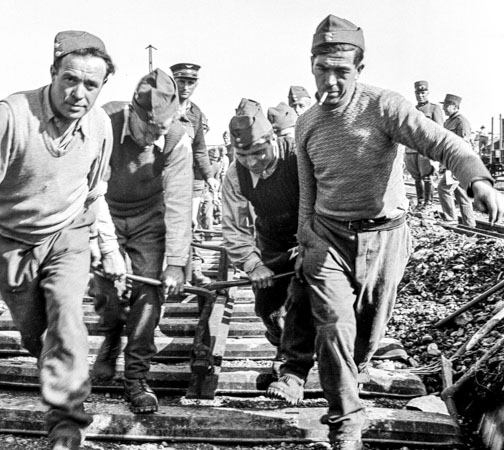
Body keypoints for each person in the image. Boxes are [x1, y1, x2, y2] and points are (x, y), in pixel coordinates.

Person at [295, 15, 503, 450]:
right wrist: (307, 240)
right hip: (329, 236)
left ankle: (358, 367)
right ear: (310, 65)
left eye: (342, 71)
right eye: (321, 70)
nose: (330, 82)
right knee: (333, 326)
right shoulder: (307, 123)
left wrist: (477, 179)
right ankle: (345, 421)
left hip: (386, 238)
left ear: (360, 69)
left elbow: (443, 143)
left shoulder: (384, 106)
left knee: (366, 336)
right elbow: (306, 192)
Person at [0, 30, 116, 450]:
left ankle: (67, 425)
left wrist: (106, 247)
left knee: (67, 317)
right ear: (53, 74)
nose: (79, 93)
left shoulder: (99, 125)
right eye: (70, 80)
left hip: (68, 233)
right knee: (36, 335)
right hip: (9, 240)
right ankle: (53, 362)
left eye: (91, 85)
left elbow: (95, 194)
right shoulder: (10, 115)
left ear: (102, 88)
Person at [92, 68, 193, 414]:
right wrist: (105, 249)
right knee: (105, 283)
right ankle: (110, 337)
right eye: (146, 128)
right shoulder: (103, 123)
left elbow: (179, 203)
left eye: (160, 130)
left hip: (150, 216)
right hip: (104, 209)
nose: (153, 137)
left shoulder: (179, 138)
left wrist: (177, 264)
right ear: (132, 112)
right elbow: (90, 191)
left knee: (149, 291)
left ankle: (136, 377)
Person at [222, 98, 315, 405]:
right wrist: (252, 263)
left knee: (305, 301)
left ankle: (295, 367)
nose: (252, 162)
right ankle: (282, 349)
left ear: (273, 139)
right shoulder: (235, 175)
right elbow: (234, 226)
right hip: (272, 242)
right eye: (244, 155)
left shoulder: (298, 158)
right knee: (268, 308)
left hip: (311, 236)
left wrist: (310, 245)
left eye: (259, 153)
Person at [170, 62, 218, 286]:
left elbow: (200, 148)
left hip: (191, 180)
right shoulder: (164, 106)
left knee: (190, 224)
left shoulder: (196, 113)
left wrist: (210, 176)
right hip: (165, 179)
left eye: (191, 82)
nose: (186, 87)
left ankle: (194, 270)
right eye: (182, 81)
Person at [403, 81, 444, 210]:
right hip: (412, 149)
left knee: (427, 177)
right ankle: (420, 202)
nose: (420, 95)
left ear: (427, 93)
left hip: (425, 149)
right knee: (416, 178)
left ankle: (428, 203)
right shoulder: (412, 109)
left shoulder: (434, 108)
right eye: (418, 93)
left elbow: (439, 130)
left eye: (423, 92)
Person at [437, 93, 476, 226]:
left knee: (443, 188)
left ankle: (450, 219)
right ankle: (470, 225)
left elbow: (464, 144)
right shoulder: (448, 122)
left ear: (454, 106)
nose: (443, 108)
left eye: (446, 105)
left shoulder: (461, 121)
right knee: (462, 194)